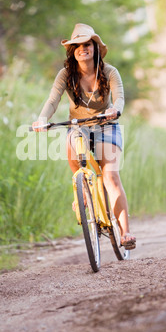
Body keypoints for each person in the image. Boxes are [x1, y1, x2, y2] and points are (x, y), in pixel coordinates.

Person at [32, 23, 136, 250]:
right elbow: (52, 100)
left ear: (95, 47)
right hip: (78, 126)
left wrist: (114, 110)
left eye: (87, 44)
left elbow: (119, 98)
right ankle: (82, 191)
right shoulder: (65, 75)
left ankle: (125, 232)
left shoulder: (109, 72)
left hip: (106, 125)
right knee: (74, 153)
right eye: (77, 46)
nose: (82, 49)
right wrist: (42, 119)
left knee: (111, 177)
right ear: (72, 51)